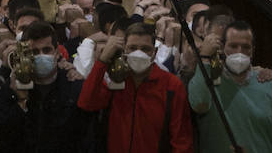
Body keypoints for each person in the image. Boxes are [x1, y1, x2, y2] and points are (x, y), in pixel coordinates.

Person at [76, 22, 192, 153]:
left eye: (145, 49)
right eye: (132, 48)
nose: (138, 53)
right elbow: (86, 103)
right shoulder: (114, 79)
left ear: (154, 52)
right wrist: (102, 60)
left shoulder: (172, 85)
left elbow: (181, 139)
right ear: (124, 50)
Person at [189, 19, 272, 153]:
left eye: (245, 47)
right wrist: (205, 58)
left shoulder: (270, 85)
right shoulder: (209, 80)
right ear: (223, 48)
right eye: (233, 46)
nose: (239, 52)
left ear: (252, 50)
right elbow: (199, 104)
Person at [0, 20, 91, 153]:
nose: (41, 55)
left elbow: (86, 138)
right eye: (34, 52)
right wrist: (21, 103)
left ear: (56, 52)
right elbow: (3, 135)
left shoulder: (74, 87)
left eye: (46, 50)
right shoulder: (10, 89)